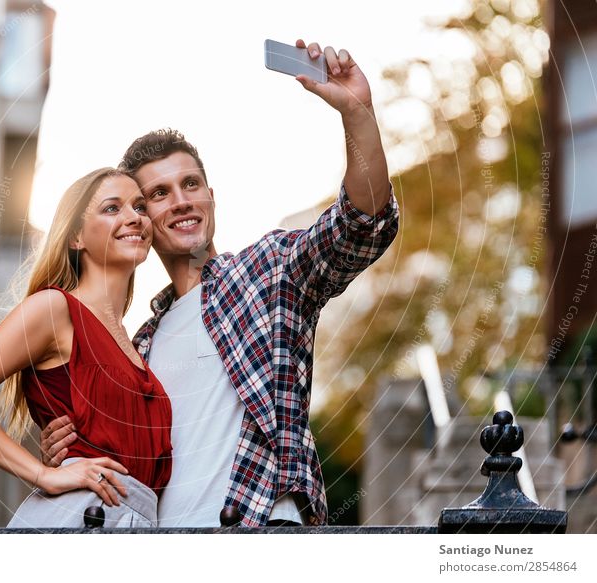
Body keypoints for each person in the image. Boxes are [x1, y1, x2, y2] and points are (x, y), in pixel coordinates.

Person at [39, 40, 400, 528]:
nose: (182, 201)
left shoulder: (269, 275)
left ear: (211, 197)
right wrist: (66, 449)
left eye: (190, 185)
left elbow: (362, 224)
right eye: (159, 194)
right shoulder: (135, 348)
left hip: (259, 533)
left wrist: (357, 113)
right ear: (140, 220)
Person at [0, 167, 173, 528]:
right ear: (76, 237)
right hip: (81, 516)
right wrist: (42, 473)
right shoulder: (56, 309)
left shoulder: (137, 348)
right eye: (112, 208)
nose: (134, 217)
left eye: (139, 207)